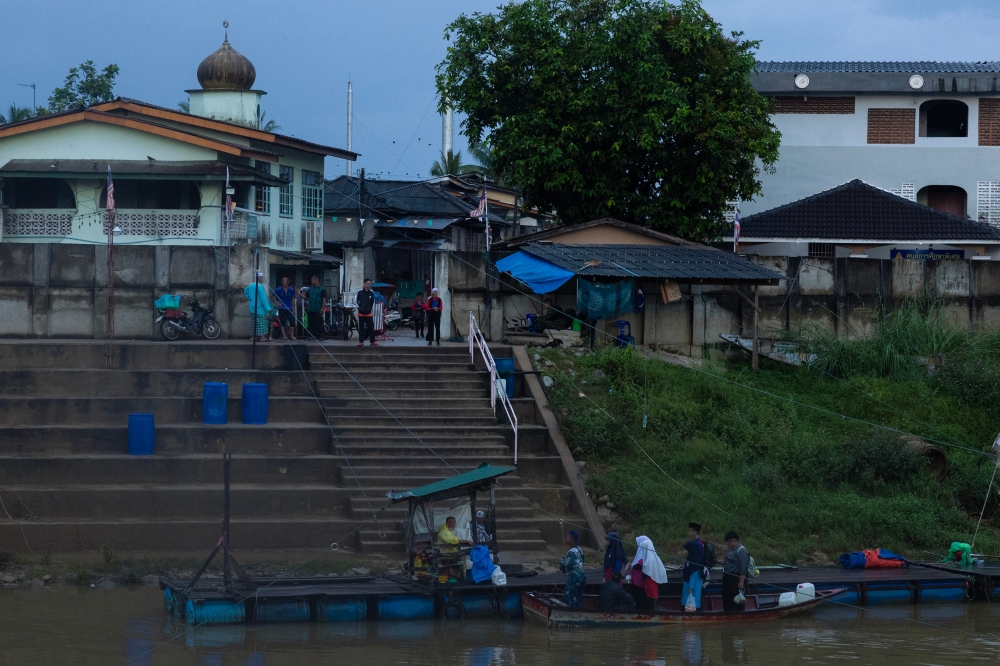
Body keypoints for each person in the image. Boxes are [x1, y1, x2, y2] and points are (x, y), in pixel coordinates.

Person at [625, 535, 667, 611]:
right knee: (647, 599)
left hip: (650, 583)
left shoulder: (650, 559)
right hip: (648, 583)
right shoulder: (650, 557)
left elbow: (647, 571)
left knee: (650, 600)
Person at [723, 531, 750, 612]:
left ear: (734, 540)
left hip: (736, 579)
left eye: (729, 542)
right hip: (727, 578)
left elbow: (743, 567)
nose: (728, 544)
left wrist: (741, 582)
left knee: (738, 603)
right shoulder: (730, 550)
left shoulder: (742, 551)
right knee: (727, 600)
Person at [682, 522, 706, 611]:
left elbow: (695, 564)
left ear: (695, 532)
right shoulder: (694, 543)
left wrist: (691, 587)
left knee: (694, 598)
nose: (689, 533)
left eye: (690, 531)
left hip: (695, 576)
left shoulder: (698, 544)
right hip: (692, 573)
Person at [243, 272, 273, 343]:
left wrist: (250, 298)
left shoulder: (251, 285)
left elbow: (245, 291)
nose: (262, 279)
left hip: (252, 307)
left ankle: (254, 337)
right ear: (258, 278)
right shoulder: (259, 286)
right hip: (260, 308)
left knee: (254, 323)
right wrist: (268, 308)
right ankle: (262, 337)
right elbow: (263, 299)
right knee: (261, 323)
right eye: (261, 277)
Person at [559, 530, 586, 607]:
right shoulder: (580, 549)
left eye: (567, 537)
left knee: (570, 598)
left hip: (574, 579)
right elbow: (582, 560)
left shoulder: (571, 552)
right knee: (579, 597)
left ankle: (571, 613)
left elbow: (569, 565)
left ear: (572, 539)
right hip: (582, 577)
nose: (566, 539)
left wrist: (561, 561)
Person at [305, 275, 327, 341]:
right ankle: (311, 336)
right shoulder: (310, 289)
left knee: (319, 323)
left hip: (318, 309)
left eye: (313, 280)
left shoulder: (322, 289)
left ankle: (321, 336)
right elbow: (306, 297)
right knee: (311, 323)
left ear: (317, 280)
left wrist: (322, 308)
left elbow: (324, 298)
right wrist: (300, 294)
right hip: (311, 308)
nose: (311, 281)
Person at [356, 278, 377, 346]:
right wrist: (359, 308)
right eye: (367, 284)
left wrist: (371, 309)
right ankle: (361, 341)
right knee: (361, 328)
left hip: (369, 313)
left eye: (369, 284)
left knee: (371, 327)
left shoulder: (371, 292)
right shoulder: (359, 292)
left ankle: (372, 341)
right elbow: (356, 301)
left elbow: (373, 302)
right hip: (361, 313)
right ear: (364, 284)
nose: (368, 285)